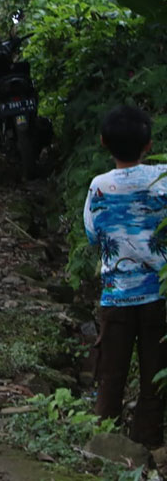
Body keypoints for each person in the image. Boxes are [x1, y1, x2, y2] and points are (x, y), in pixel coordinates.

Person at [84, 105, 167, 448]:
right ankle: (147, 444)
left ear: (104, 143)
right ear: (148, 144)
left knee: (111, 375)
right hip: (159, 297)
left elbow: (93, 234)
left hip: (116, 298)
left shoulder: (99, 186)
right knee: (155, 377)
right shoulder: (163, 178)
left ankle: (105, 443)